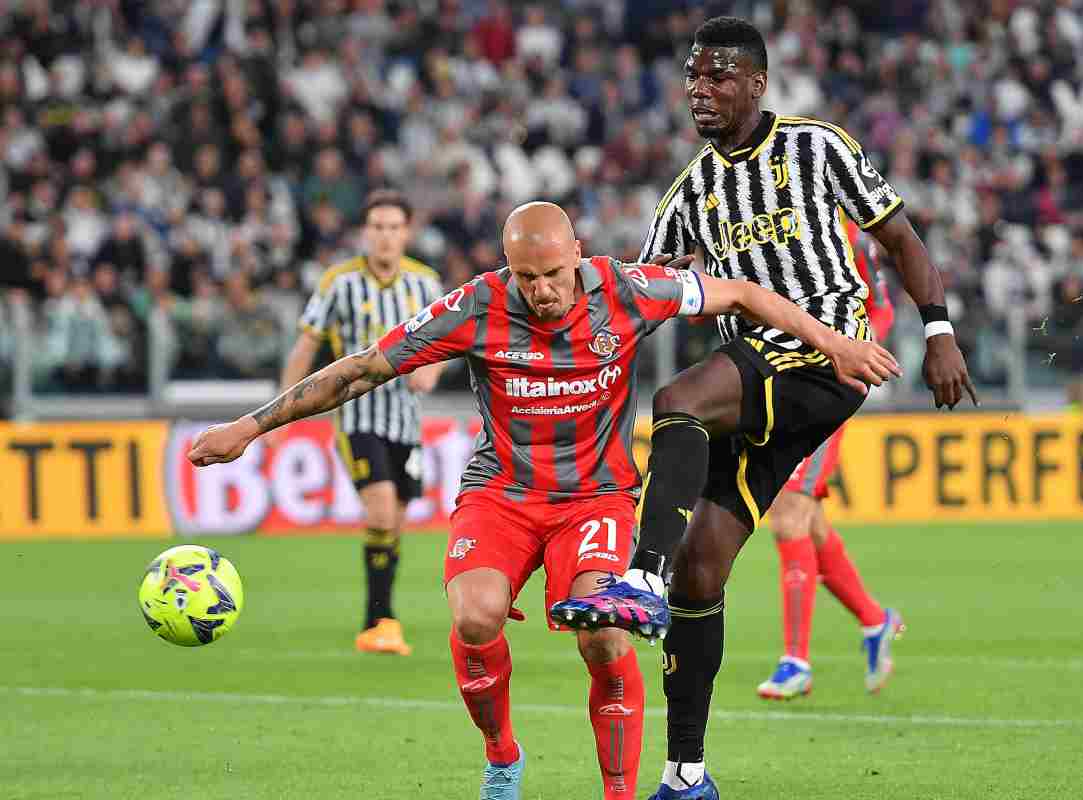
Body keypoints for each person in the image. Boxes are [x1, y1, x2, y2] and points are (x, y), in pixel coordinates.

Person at [188, 201, 900, 800]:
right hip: (501, 493)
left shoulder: (625, 289)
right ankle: (502, 755)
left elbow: (744, 293)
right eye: (527, 277)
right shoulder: (476, 306)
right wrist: (251, 427)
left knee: (605, 633)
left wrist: (831, 342)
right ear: (507, 267)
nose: (544, 292)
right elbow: (364, 368)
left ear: (578, 257)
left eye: (555, 274)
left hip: (595, 497)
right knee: (474, 617)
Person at [550, 17, 976, 800]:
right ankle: (686, 775)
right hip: (758, 383)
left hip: (827, 353)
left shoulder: (819, 147)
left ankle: (636, 576)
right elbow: (641, 293)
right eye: (692, 78)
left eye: (717, 78)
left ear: (757, 83)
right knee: (701, 569)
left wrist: (939, 331)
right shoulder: (690, 190)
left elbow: (902, 238)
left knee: (679, 401)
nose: (699, 91)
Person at [281, 189, 444, 654]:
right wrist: (281, 415)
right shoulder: (339, 282)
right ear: (365, 232)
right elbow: (307, 347)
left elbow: (448, 342)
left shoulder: (425, 283)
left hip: (406, 423)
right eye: (378, 227)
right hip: (357, 416)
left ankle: (382, 614)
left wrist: (430, 371)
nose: (386, 236)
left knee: (393, 520)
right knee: (379, 508)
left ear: (406, 232)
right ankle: (378, 620)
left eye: (394, 227)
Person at [756, 219, 901, 701]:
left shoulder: (845, 232)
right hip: (774, 381)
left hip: (825, 387)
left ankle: (795, 660)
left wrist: (849, 348)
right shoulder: (757, 222)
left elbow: (881, 310)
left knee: (788, 513)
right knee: (809, 523)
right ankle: (874, 620)